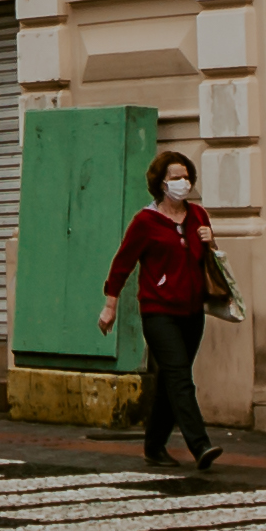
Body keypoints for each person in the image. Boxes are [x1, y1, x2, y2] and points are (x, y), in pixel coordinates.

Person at [97, 151, 228, 471]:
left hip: (192, 311)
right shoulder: (146, 222)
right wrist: (110, 305)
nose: (181, 183)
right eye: (174, 178)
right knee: (181, 378)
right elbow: (122, 263)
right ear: (160, 183)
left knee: (171, 380)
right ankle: (200, 445)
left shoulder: (198, 216)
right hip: (158, 312)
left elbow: (209, 262)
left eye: (186, 177)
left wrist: (210, 242)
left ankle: (154, 446)